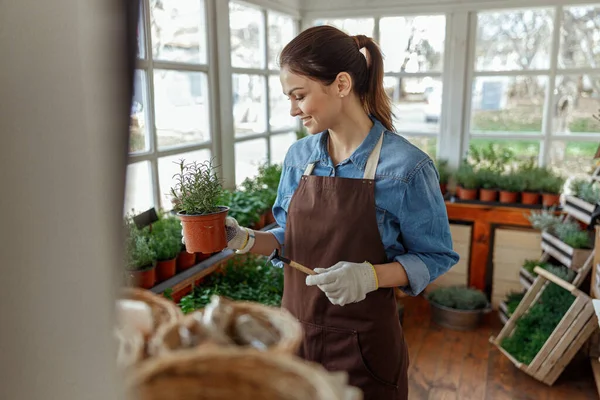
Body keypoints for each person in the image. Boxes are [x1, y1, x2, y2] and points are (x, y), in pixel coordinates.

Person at [222, 25, 459, 400]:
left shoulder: (406, 168)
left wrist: (369, 276)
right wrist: (246, 239)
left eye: (300, 95)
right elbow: (290, 237)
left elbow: (436, 256)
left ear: (342, 85)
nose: (292, 110)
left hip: (364, 353)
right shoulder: (299, 158)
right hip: (294, 339)